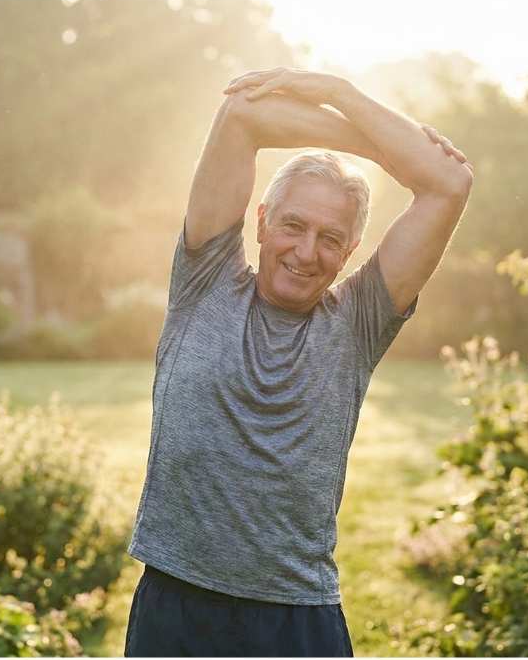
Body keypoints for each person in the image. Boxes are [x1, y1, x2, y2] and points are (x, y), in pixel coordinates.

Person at [123, 67, 473, 657]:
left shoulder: (359, 322)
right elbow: (240, 115)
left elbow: (449, 182)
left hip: (295, 619)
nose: (306, 253)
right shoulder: (205, 281)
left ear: (349, 252)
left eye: (330, 238)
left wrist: (340, 93)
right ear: (261, 220)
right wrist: (374, 145)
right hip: (177, 605)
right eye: (293, 226)